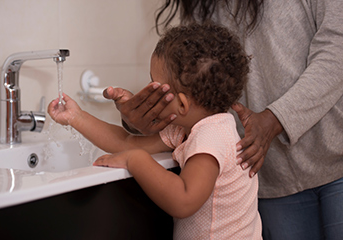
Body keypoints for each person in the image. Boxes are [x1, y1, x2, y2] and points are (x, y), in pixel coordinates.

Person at [103, 1, 343, 239]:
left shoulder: (211, 137)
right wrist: (138, 120)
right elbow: (192, 85)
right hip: (268, 175)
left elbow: (337, 52)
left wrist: (275, 119)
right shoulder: (203, 6)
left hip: (333, 160)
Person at [48, 23, 262, 239]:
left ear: (181, 105)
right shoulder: (185, 129)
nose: (147, 88)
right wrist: (76, 117)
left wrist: (136, 160)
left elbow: (184, 200)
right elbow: (126, 142)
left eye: (153, 83)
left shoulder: (212, 136)